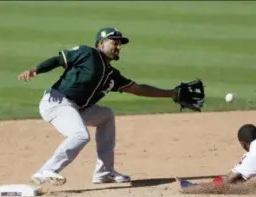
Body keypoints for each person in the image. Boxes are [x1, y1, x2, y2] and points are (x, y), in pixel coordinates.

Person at [18, 27, 205, 186]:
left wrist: (171, 93)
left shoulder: (112, 75)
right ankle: (46, 170)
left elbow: (138, 89)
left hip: (77, 108)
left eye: (119, 44)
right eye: (114, 42)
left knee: (106, 115)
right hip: (57, 102)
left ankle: (104, 172)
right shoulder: (87, 54)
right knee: (80, 135)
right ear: (101, 44)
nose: (118, 46)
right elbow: (58, 60)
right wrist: (36, 70)